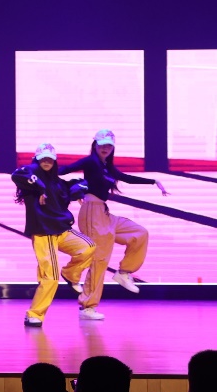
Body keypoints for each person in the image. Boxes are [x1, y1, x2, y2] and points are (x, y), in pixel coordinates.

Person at [58, 129, 169, 320]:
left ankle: (123, 272)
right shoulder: (91, 162)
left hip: (104, 212)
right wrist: (42, 177)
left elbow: (126, 178)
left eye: (109, 145)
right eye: (102, 144)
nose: (105, 148)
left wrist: (153, 181)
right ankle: (87, 307)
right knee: (99, 260)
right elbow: (65, 169)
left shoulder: (107, 167)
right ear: (95, 145)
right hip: (92, 212)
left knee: (139, 233)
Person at [11, 142, 96, 326]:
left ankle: (71, 274)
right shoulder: (30, 177)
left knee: (88, 247)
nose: (47, 162)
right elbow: (17, 174)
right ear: (37, 160)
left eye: (50, 159)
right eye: (43, 159)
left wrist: (79, 191)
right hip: (44, 233)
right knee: (50, 276)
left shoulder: (57, 182)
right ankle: (34, 314)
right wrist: (40, 187)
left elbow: (78, 185)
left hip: (62, 230)